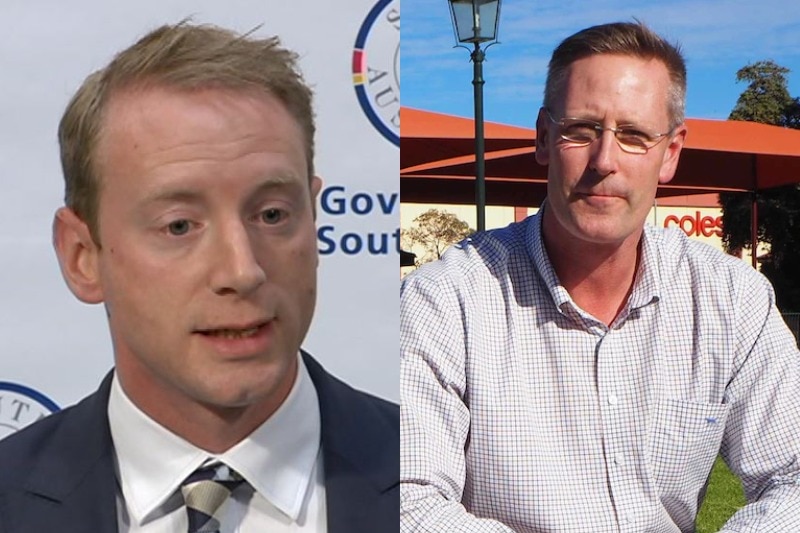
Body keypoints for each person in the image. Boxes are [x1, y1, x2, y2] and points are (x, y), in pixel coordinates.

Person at [400, 21, 800, 532]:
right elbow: (406, 497)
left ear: (670, 153)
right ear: (544, 139)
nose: (604, 160)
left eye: (633, 136)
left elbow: (792, 473)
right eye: (581, 131)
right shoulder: (445, 303)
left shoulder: (730, 300)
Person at [0, 21, 398, 532]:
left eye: (272, 215)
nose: (242, 270)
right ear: (83, 256)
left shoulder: (437, 481)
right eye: (180, 226)